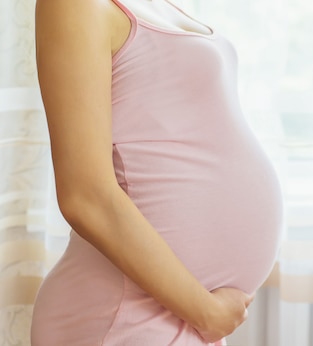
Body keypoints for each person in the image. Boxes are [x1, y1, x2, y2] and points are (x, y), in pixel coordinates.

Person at [31, 0, 283, 344]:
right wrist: (205, 312)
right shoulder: (74, 4)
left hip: (181, 312)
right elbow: (84, 196)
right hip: (123, 314)